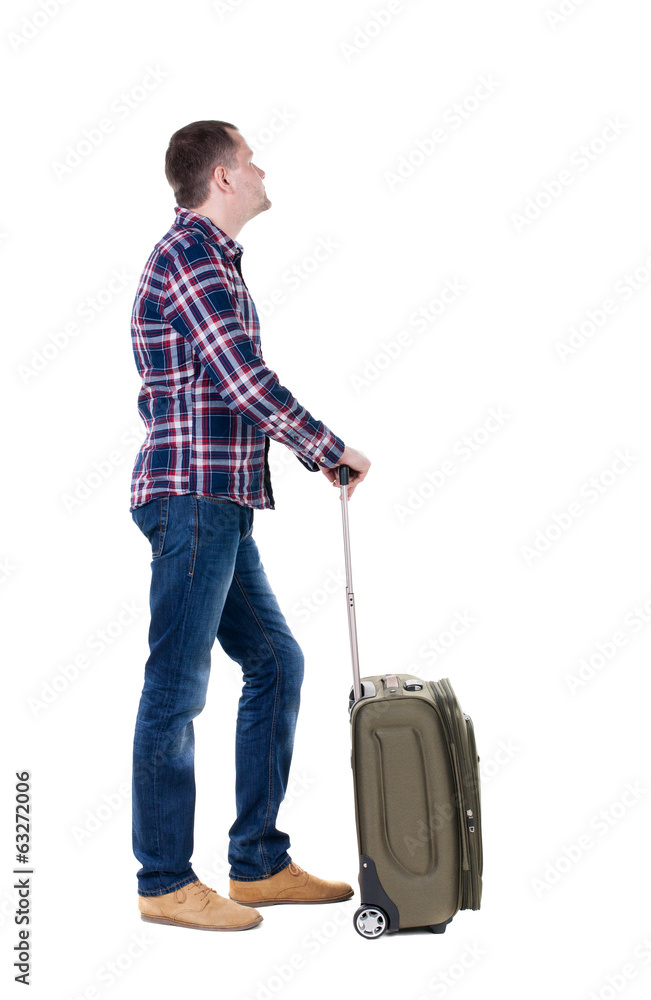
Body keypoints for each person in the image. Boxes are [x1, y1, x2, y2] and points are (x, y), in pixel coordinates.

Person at [129, 120, 371, 931]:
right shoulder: (191, 255)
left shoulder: (213, 259)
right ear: (223, 177)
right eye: (252, 157)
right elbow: (241, 378)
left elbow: (230, 381)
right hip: (192, 500)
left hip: (219, 504)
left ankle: (258, 864)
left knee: (275, 661)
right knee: (177, 686)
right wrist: (329, 448)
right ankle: (164, 879)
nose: (264, 168)